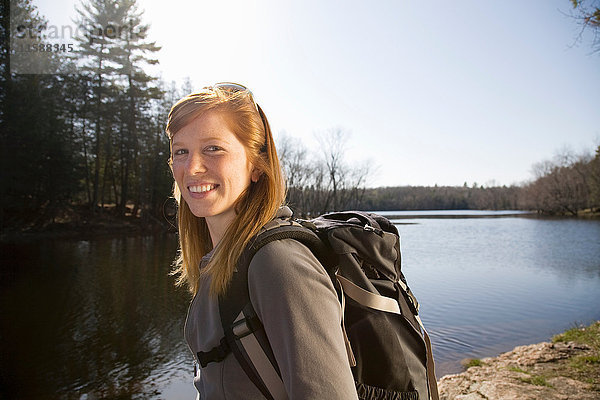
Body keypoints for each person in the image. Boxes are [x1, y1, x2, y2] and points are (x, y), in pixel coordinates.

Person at [166, 83, 358, 399]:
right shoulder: (219, 260)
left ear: (256, 164)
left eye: (213, 148)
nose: (192, 167)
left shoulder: (278, 264)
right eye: (180, 152)